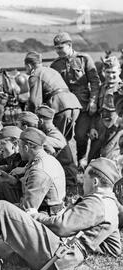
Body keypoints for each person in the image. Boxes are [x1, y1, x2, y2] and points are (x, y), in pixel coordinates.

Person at [0, 157, 121, 270]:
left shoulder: (97, 204)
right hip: (63, 254)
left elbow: (62, 228)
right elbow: (114, 248)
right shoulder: (111, 205)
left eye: (86, 178)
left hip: (58, 256)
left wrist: (36, 216)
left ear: (95, 182)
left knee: (0, 208)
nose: (83, 182)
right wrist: (89, 245)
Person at [0, 127, 66, 216]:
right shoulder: (42, 159)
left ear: (26, 148)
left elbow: (28, 210)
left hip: (45, 216)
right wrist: (11, 180)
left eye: (19, 147)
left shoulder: (39, 171)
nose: (18, 150)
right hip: (42, 209)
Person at [50, 32, 100, 165]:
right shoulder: (55, 65)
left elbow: (95, 82)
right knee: (62, 136)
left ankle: (81, 161)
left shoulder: (84, 59)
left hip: (83, 105)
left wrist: (93, 101)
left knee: (81, 136)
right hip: (65, 107)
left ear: (69, 45)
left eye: (60, 48)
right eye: (56, 49)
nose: (58, 52)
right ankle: (64, 163)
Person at [25, 51, 81, 141]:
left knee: (55, 141)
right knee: (63, 141)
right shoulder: (51, 70)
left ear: (29, 66)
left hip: (60, 107)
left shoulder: (35, 74)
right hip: (74, 105)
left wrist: (30, 119)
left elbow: (34, 102)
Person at [88, 56, 123, 169]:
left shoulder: (121, 88)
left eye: (113, 72)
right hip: (100, 126)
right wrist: (93, 127)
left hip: (116, 127)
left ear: (119, 71)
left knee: (109, 158)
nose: (110, 75)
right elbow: (97, 111)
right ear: (103, 72)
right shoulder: (101, 88)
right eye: (108, 72)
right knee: (92, 158)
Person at [36, 104, 78, 194]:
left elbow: (57, 144)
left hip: (67, 177)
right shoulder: (52, 132)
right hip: (63, 173)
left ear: (40, 121)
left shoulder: (54, 135)